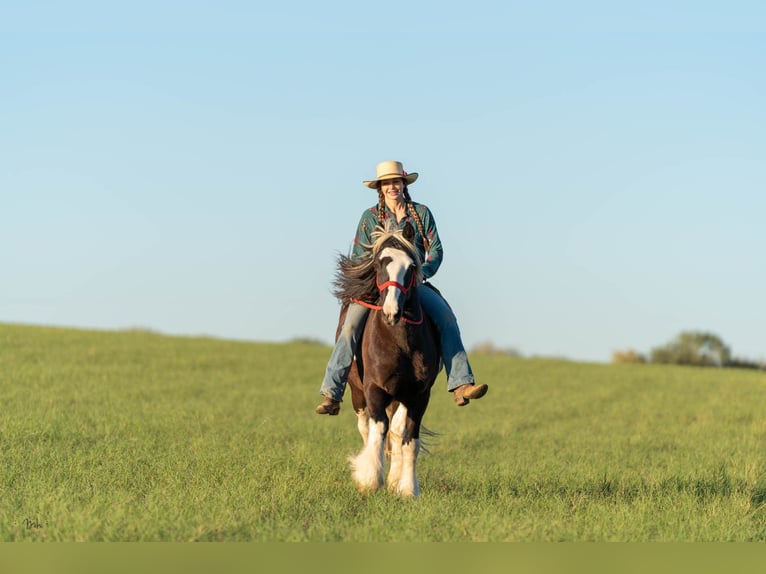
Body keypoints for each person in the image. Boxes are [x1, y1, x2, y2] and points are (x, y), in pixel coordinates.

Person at [316, 160, 488, 415]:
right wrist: (371, 280)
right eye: (387, 183)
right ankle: (332, 392)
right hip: (376, 287)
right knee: (349, 326)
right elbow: (357, 256)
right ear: (380, 188)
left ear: (403, 184)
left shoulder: (422, 214)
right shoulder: (370, 218)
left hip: (413, 284)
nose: (392, 186)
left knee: (446, 318)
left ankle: (461, 383)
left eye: (396, 181)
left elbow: (436, 250)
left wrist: (421, 273)